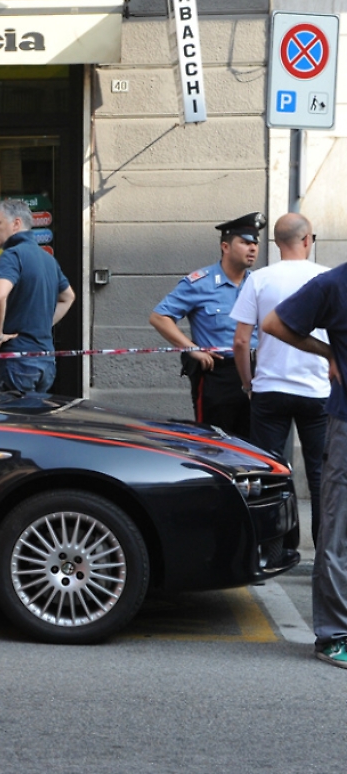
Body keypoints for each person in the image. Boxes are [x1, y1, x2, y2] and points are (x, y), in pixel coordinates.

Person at [262, 265, 347, 668]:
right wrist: (327, 352)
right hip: (345, 426)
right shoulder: (334, 283)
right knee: (337, 532)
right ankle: (335, 635)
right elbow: (274, 322)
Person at [231, 213, 328, 540]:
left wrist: (248, 384)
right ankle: (324, 554)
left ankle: (272, 549)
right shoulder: (326, 279)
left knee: (268, 475)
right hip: (319, 391)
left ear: (275, 242)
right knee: (321, 476)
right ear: (307, 240)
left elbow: (241, 341)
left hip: (270, 389)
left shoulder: (258, 279)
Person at [149, 212, 264, 439]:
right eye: (245, 242)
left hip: (257, 372)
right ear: (225, 246)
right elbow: (159, 317)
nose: (252, 249)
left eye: (255, 244)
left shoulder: (259, 284)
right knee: (213, 443)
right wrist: (192, 348)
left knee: (255, 445)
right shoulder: (201, 282)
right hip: (218, 375)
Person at [0, 199, 75, 393]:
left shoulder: (12, 255)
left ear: (16, 224)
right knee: (34, 421)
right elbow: (68, 297)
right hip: (46, 361)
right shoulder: (48, 259)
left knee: (14, 421)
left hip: (18, 361)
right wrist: (41, 324)